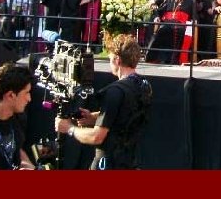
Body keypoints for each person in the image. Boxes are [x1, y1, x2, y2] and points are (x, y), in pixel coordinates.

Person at [55, 34, 153, 170]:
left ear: (117, 60)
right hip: (131, 161)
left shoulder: (114, 91)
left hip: (109, 163)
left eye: (110, 58)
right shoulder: (144, 85)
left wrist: (69, 129)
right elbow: (125, 114)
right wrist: (94, 117)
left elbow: (97, 137)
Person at [0, 62, 35, 170]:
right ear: (11, 95)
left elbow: (16, 149)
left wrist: (29, 167)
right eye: (26, 93)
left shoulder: (16, 118)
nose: (29, 99)